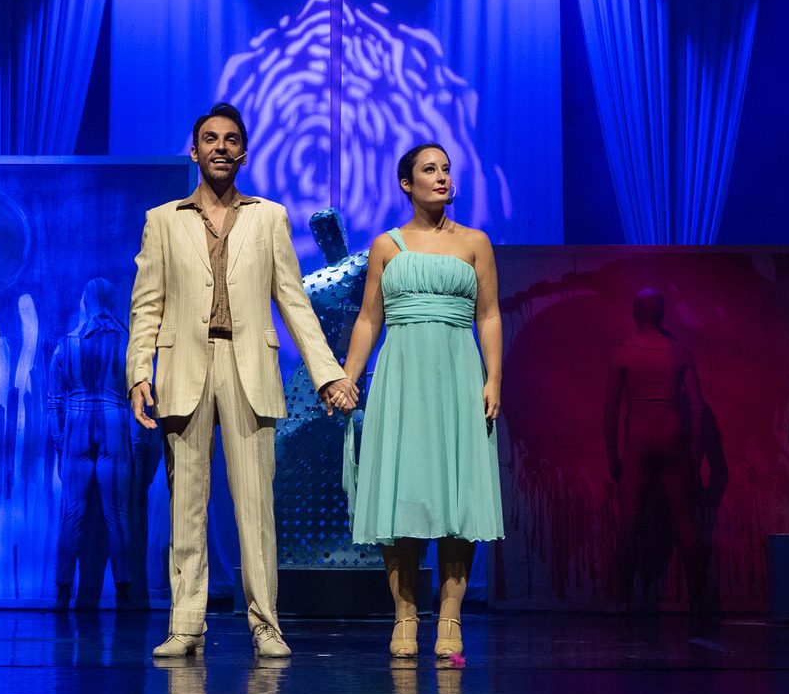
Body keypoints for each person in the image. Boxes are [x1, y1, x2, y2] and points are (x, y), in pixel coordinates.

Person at [128, 102, 356, 660]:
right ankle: (187, 624)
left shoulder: (268, 216)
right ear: (195, 149)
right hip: (184, 366)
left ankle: (265, 624)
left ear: (244, 151)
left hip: (249, 364)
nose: (221, 147)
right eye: (210, 138)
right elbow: (147, 303)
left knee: (255, 505)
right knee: (187, 502)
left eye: (231, 139)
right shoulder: (164, 219)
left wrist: (327, 373)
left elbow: (295, 304)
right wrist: (138, 374)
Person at [340, 143, 504, 661]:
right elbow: (370, 318)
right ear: (406, 183)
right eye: (429, 169)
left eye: (446, 168)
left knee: (459, 499)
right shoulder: (386, 246)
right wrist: (348, 376)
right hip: (403, 375)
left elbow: (490, 315)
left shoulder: (475, 242)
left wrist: (494, 377)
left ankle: (451, 619)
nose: (441, 176)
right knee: (401, 496)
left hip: (457, 373)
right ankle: (405, 615)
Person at [48, 277, 158, 611]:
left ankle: (63, 591)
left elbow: (55, 401)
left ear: (85, 300)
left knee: (71, 513)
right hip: (113, 420)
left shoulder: (67, 343)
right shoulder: (128, 343)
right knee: (118, 513)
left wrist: (59, 441)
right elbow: (142, 398)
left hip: (79, 422)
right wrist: (138, 443)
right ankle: (124, 591)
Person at [604, 289, 714, 610]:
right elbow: (696, 406)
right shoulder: (678, 352)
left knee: (629, 523)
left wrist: (613, 454)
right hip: (672, 438)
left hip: (638, 440)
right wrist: (693, 454)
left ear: (635, 313)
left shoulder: (623, 353)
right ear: (662, 314)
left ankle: (623, 602)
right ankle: (697, 600)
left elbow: (610, 410)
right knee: (685, 520)